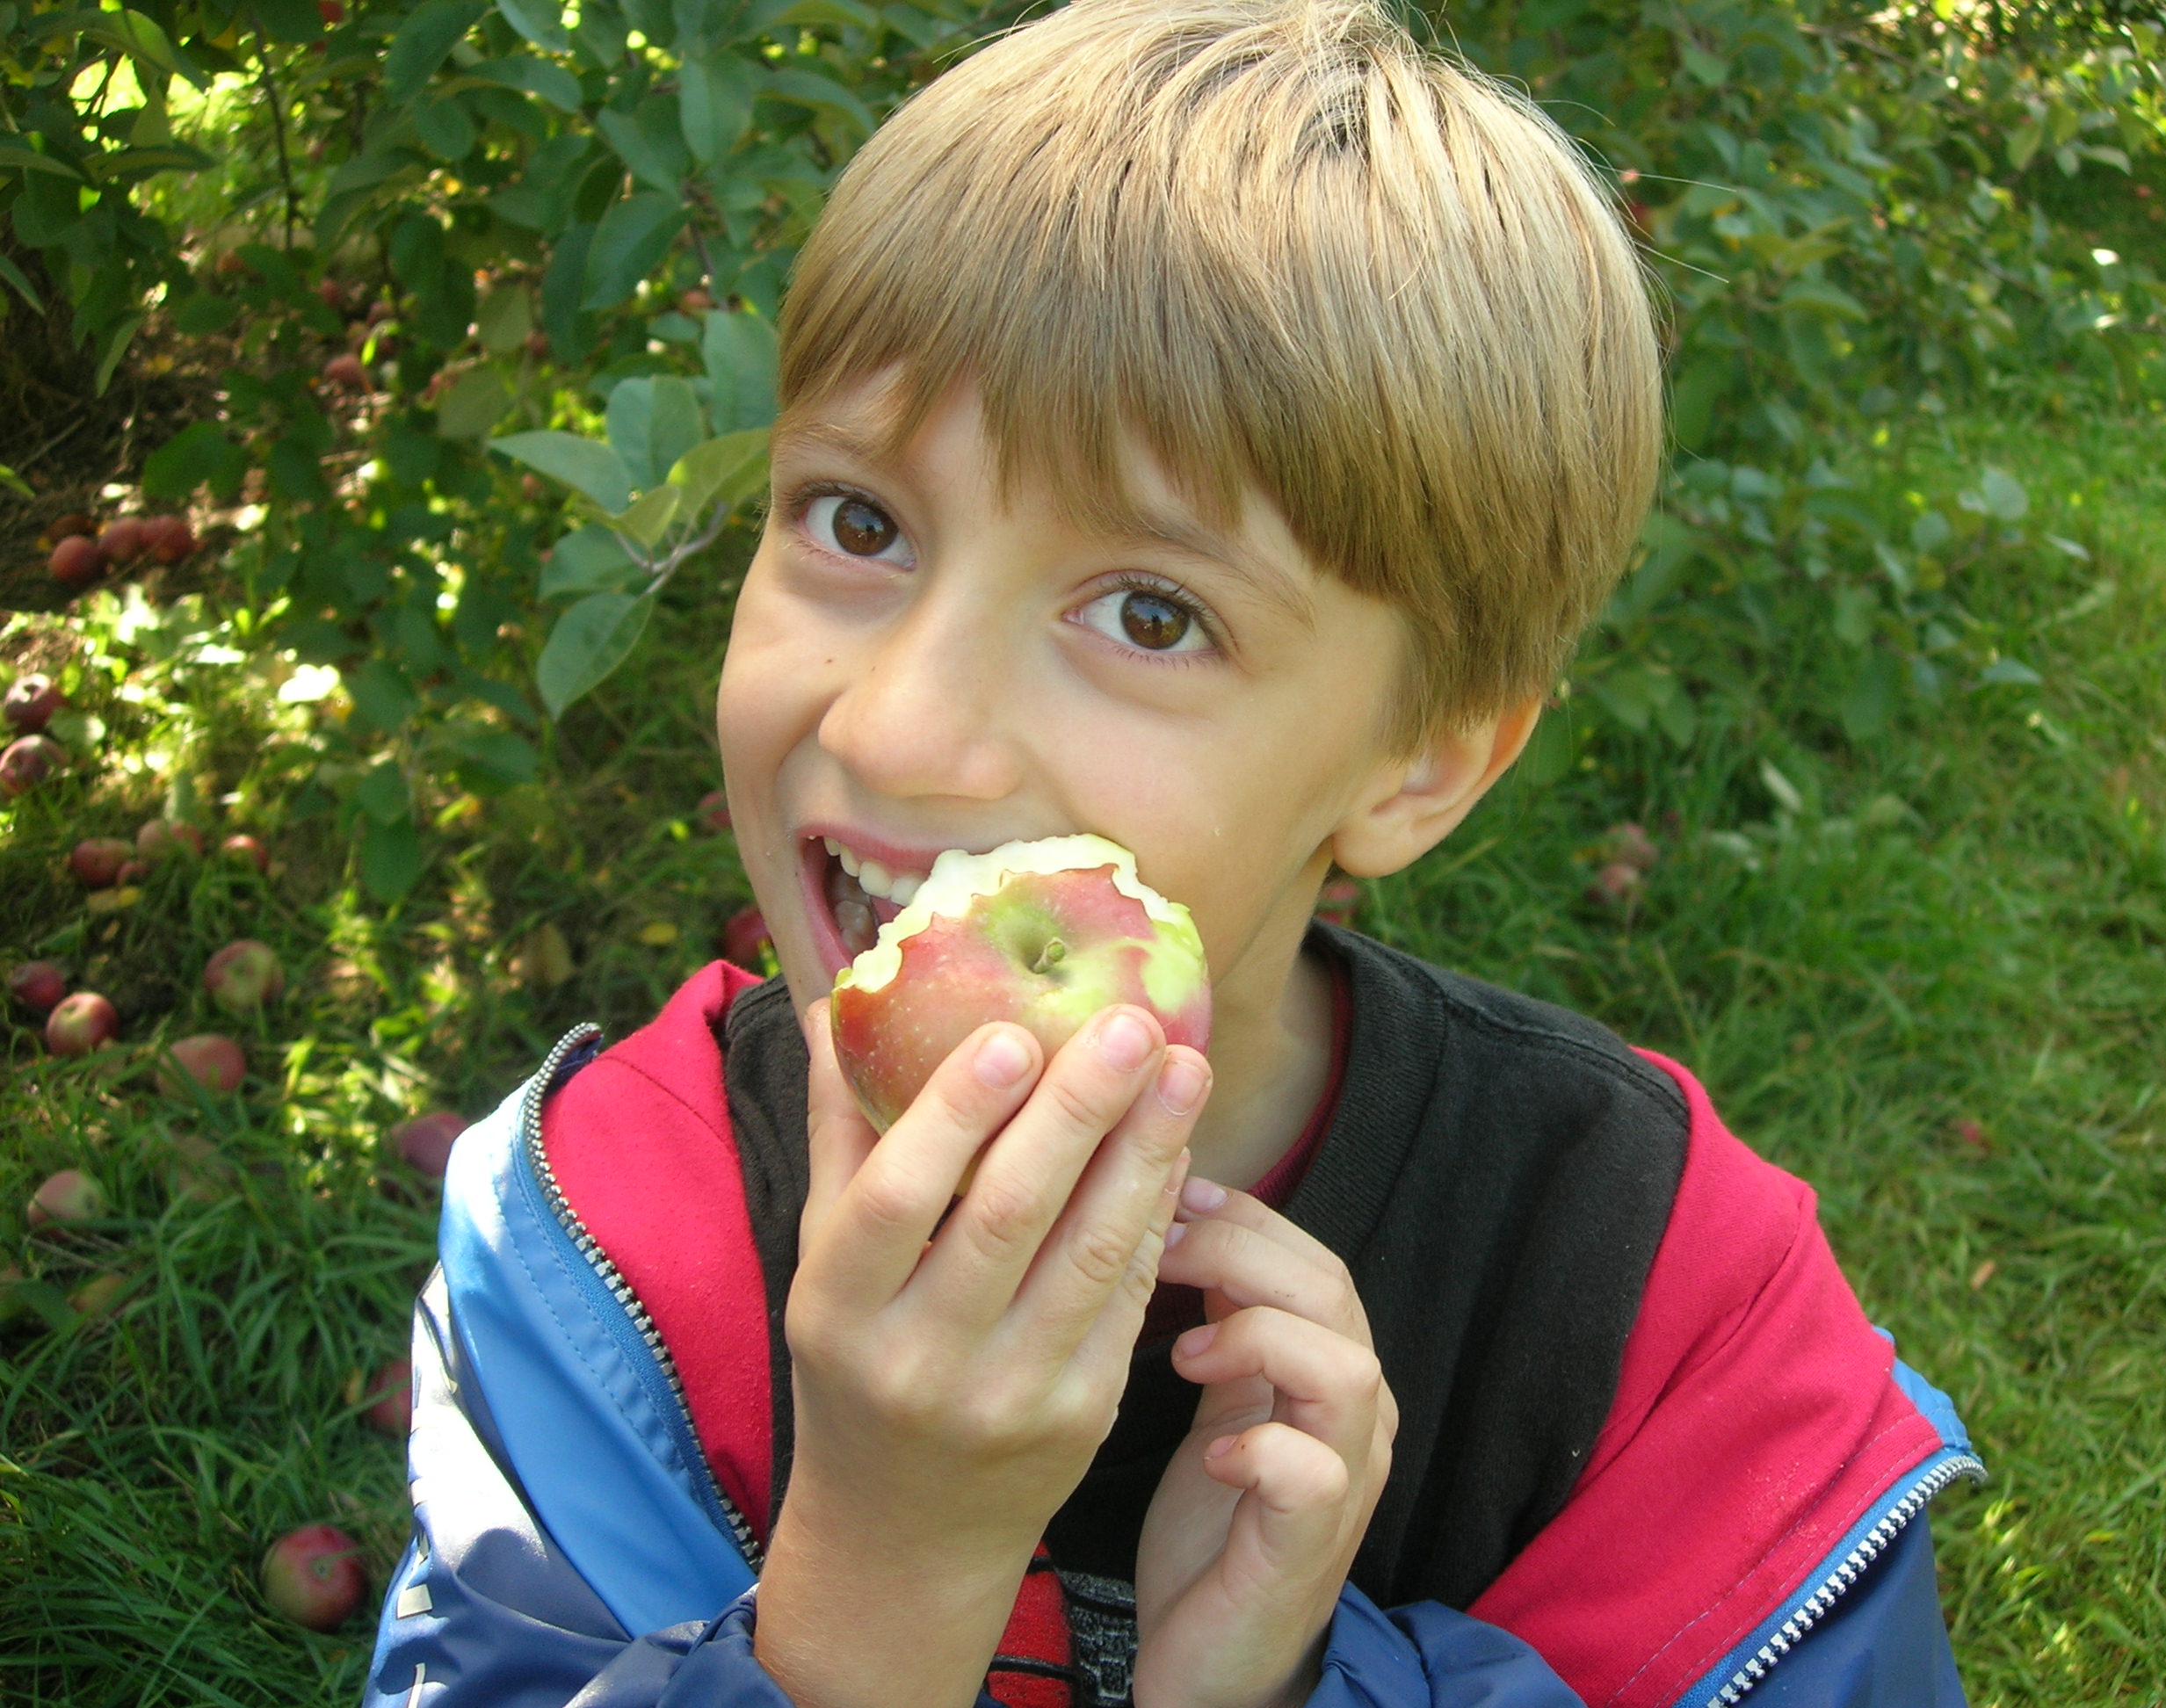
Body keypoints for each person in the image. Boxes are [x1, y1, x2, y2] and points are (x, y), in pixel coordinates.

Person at [364, 1, 1982, 1704]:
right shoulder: (609, 1241)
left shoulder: (1639, 1311)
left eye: (1149, 612)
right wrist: (883, 1575)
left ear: (1422, 762)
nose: (903, 725)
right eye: (860, 521)